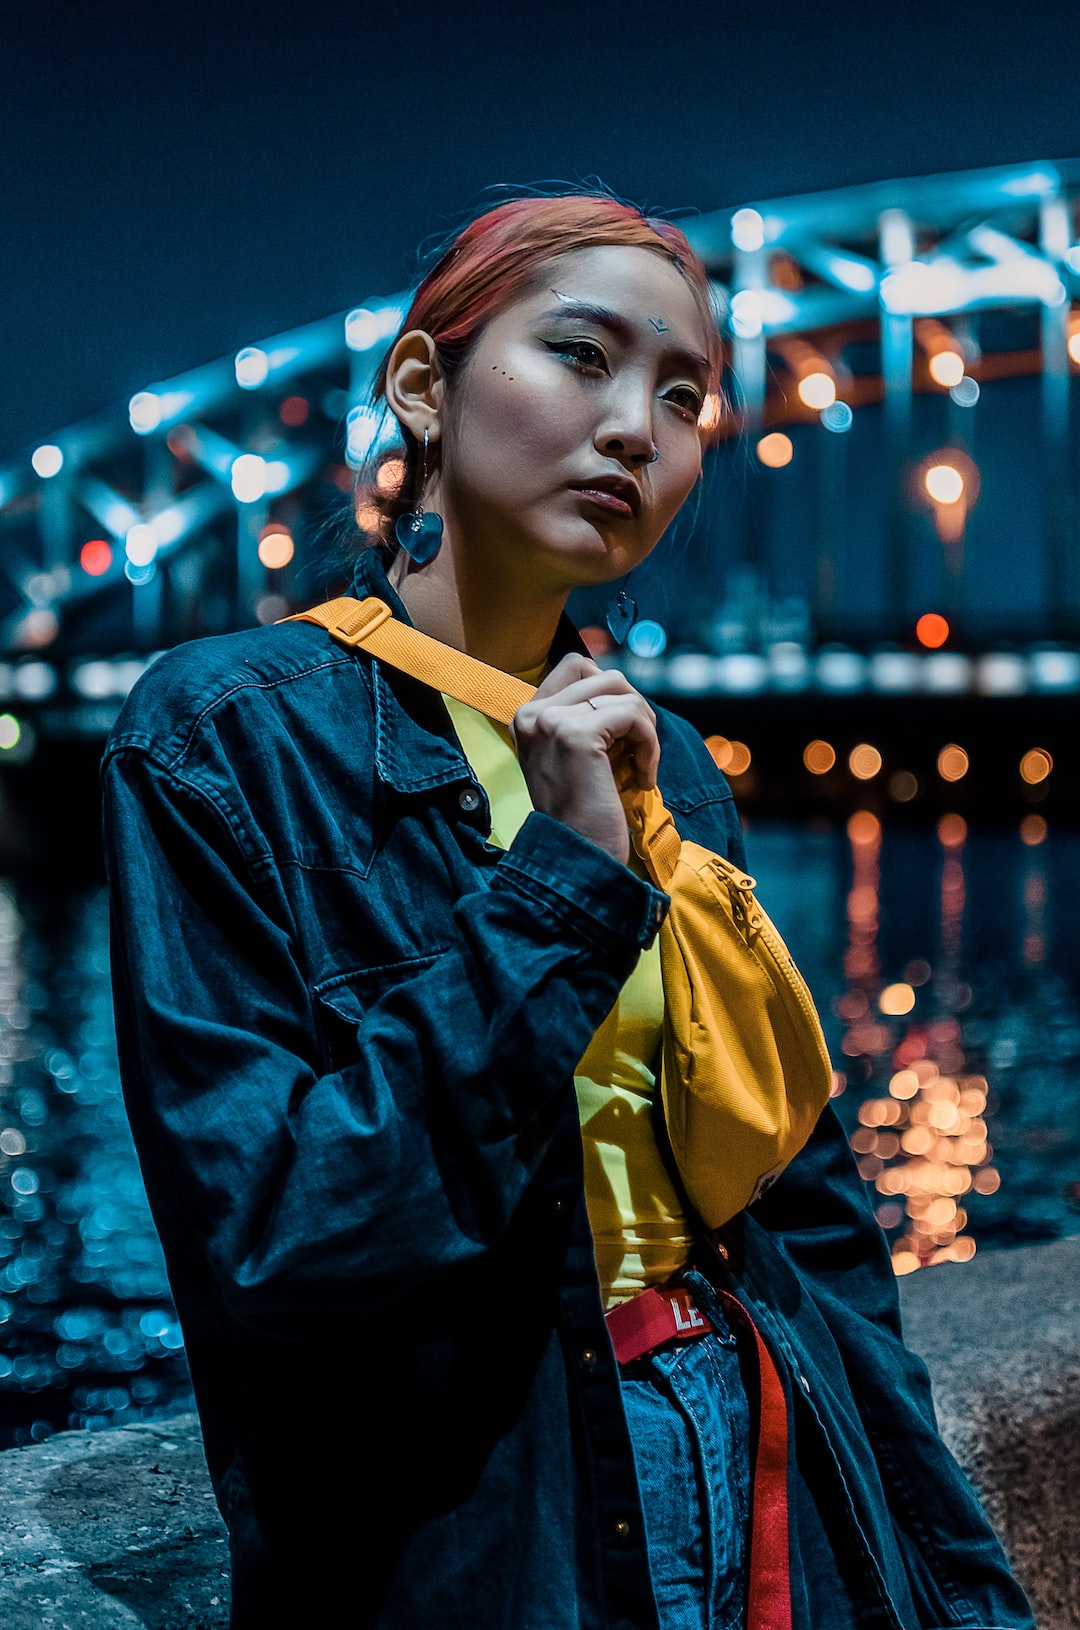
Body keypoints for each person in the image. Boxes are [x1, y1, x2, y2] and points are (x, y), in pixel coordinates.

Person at [103, 193, 1034, 1630]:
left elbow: (811, 1203)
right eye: (581, 356)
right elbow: (272, 1241)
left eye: (684, 395)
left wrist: (930, 1541)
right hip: (493, 1528)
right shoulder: (227, 737)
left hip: (770, 1462)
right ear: (422, 385)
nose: (636, 429)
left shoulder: (675, 771)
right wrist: (565, 889)